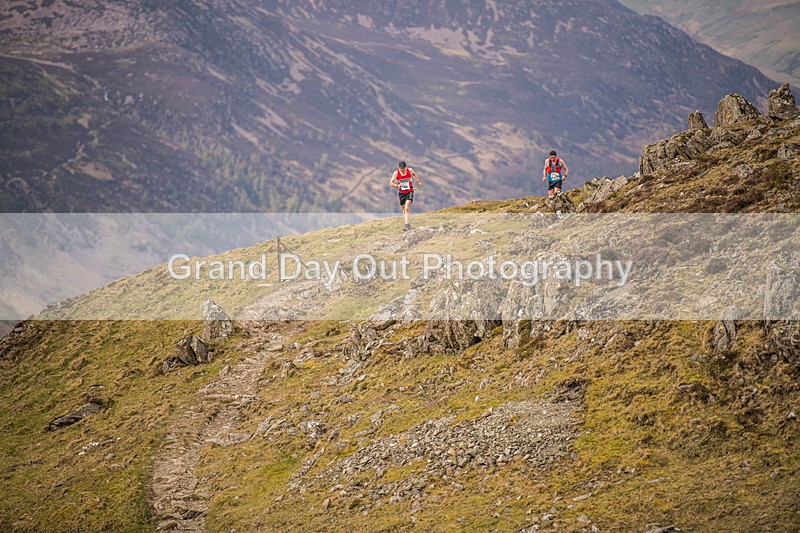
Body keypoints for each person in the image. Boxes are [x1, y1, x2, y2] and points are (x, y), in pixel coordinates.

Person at [389, 161, 422, 231]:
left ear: (405, 167)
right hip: (401, 193)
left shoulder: (409, 170)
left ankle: (406, 225)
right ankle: (408, 224)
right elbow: (391, 183)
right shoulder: (396, 173)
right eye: (401, 169)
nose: (403, 171)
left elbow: (414, 174)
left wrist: (418, 181)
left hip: (410, 191)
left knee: (407, 208)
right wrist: (397, 186)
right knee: (404, 209)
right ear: (399, 168)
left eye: (403, 169)